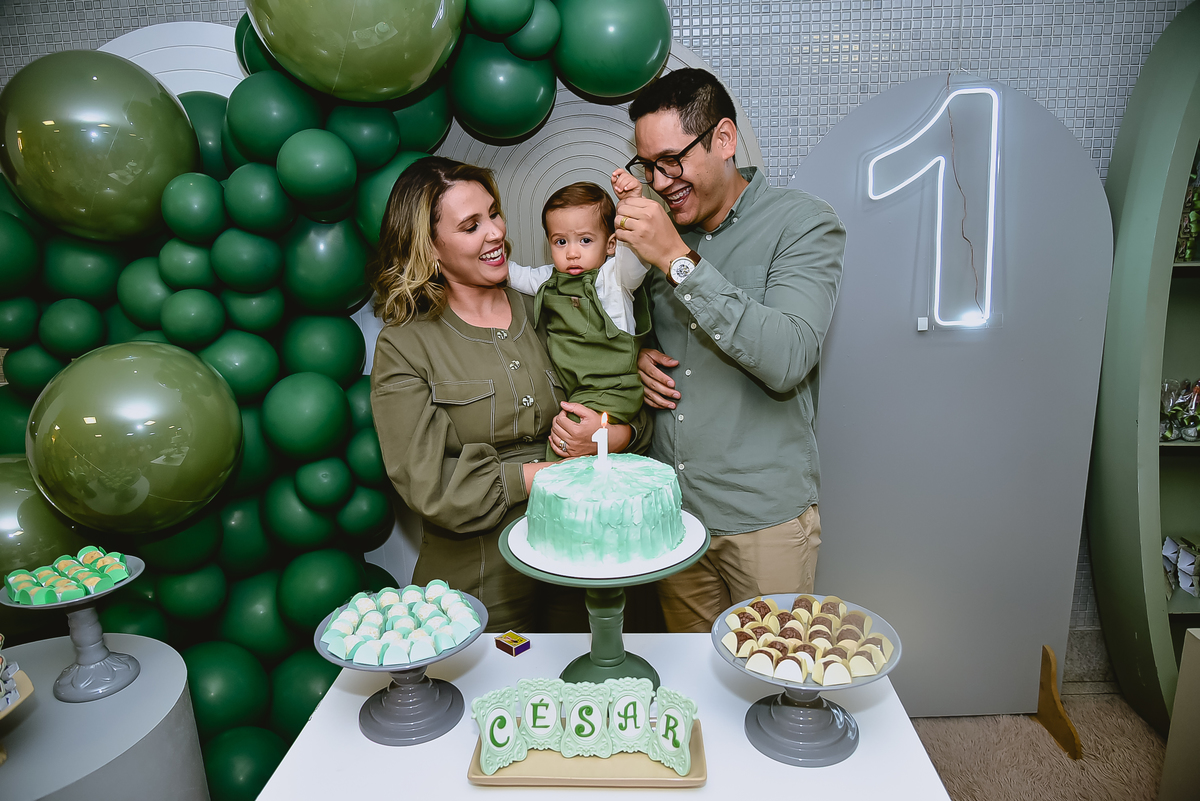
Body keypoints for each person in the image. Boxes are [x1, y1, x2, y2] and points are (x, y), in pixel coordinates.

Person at [368, 156, 652, 632]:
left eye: (493, 213)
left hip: (582, 564)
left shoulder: (555, 303)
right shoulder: (405, 345)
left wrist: (612, 434)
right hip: (481, 585)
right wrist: (537, 475)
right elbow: (428, 483)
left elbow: (623, 402)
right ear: (431, 249)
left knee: (592, 695)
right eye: (470, 225)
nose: (495, 232)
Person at [613, 68, 846, 633]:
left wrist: (678, 260)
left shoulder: (804, 224)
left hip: (763, 521)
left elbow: (788, 356)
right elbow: (628, 318)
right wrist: (641, 352)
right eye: (648, 166)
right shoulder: (661, 231)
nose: (660, 181)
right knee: (697, 692)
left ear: (723, 139)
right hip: (676, 517)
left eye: (672, 160)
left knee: (777, 682)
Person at [506, 175, 651, 459]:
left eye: (585, 240)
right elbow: (515, 275)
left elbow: (637, 256)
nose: (572, 253)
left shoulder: (616, 278)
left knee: (564, 441)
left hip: (612, 389)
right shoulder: (550, 278)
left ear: (610, 245)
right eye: (560, 242)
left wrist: (633, 201)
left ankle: (560, 498)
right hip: (577, 390)